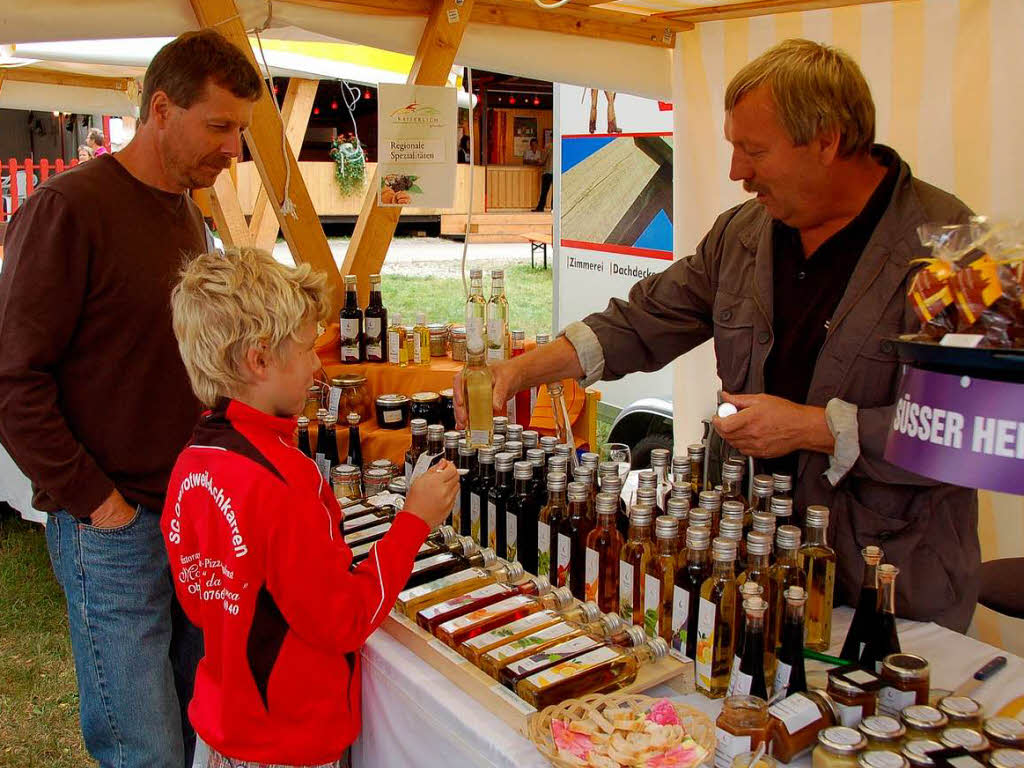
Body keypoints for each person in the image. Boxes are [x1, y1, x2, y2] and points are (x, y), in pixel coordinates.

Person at [456, 39, 979, 632]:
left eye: (754, 150)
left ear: (828, 140)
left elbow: (972, 432)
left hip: (890, 583)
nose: (737, 171)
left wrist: (815, 428)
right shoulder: (745, 233)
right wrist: (520, 371)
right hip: (752, 559)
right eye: (733, 147)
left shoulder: (948, 248)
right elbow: (643, 318)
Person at [0, 30, 262, 768]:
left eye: (239, 130)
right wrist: (97, 503)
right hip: (113, 526)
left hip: (186, 514)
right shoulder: (66, 210)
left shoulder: (185, 210)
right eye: (218, 125)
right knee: (142, 749)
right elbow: (14, 380)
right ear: (159, 109)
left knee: (189, 727)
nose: (231, 149)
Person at [164, 247, 459, 768]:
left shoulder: (192, 462)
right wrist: (415, 521)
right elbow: (343, 619)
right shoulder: (282, 478)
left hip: (222, 730)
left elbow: (200, 602)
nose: (316, 368)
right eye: (304, 350)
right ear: (259, 359)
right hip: (289, 740)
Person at [524, 138, 553, 212]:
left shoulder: (549, 146)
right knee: (555, 191)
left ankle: (540, 207)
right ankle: (554, 208)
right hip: (556, 172)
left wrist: (538, 162)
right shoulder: (560, 144)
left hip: (548, 171)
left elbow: (542, 160)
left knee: (544, 191)